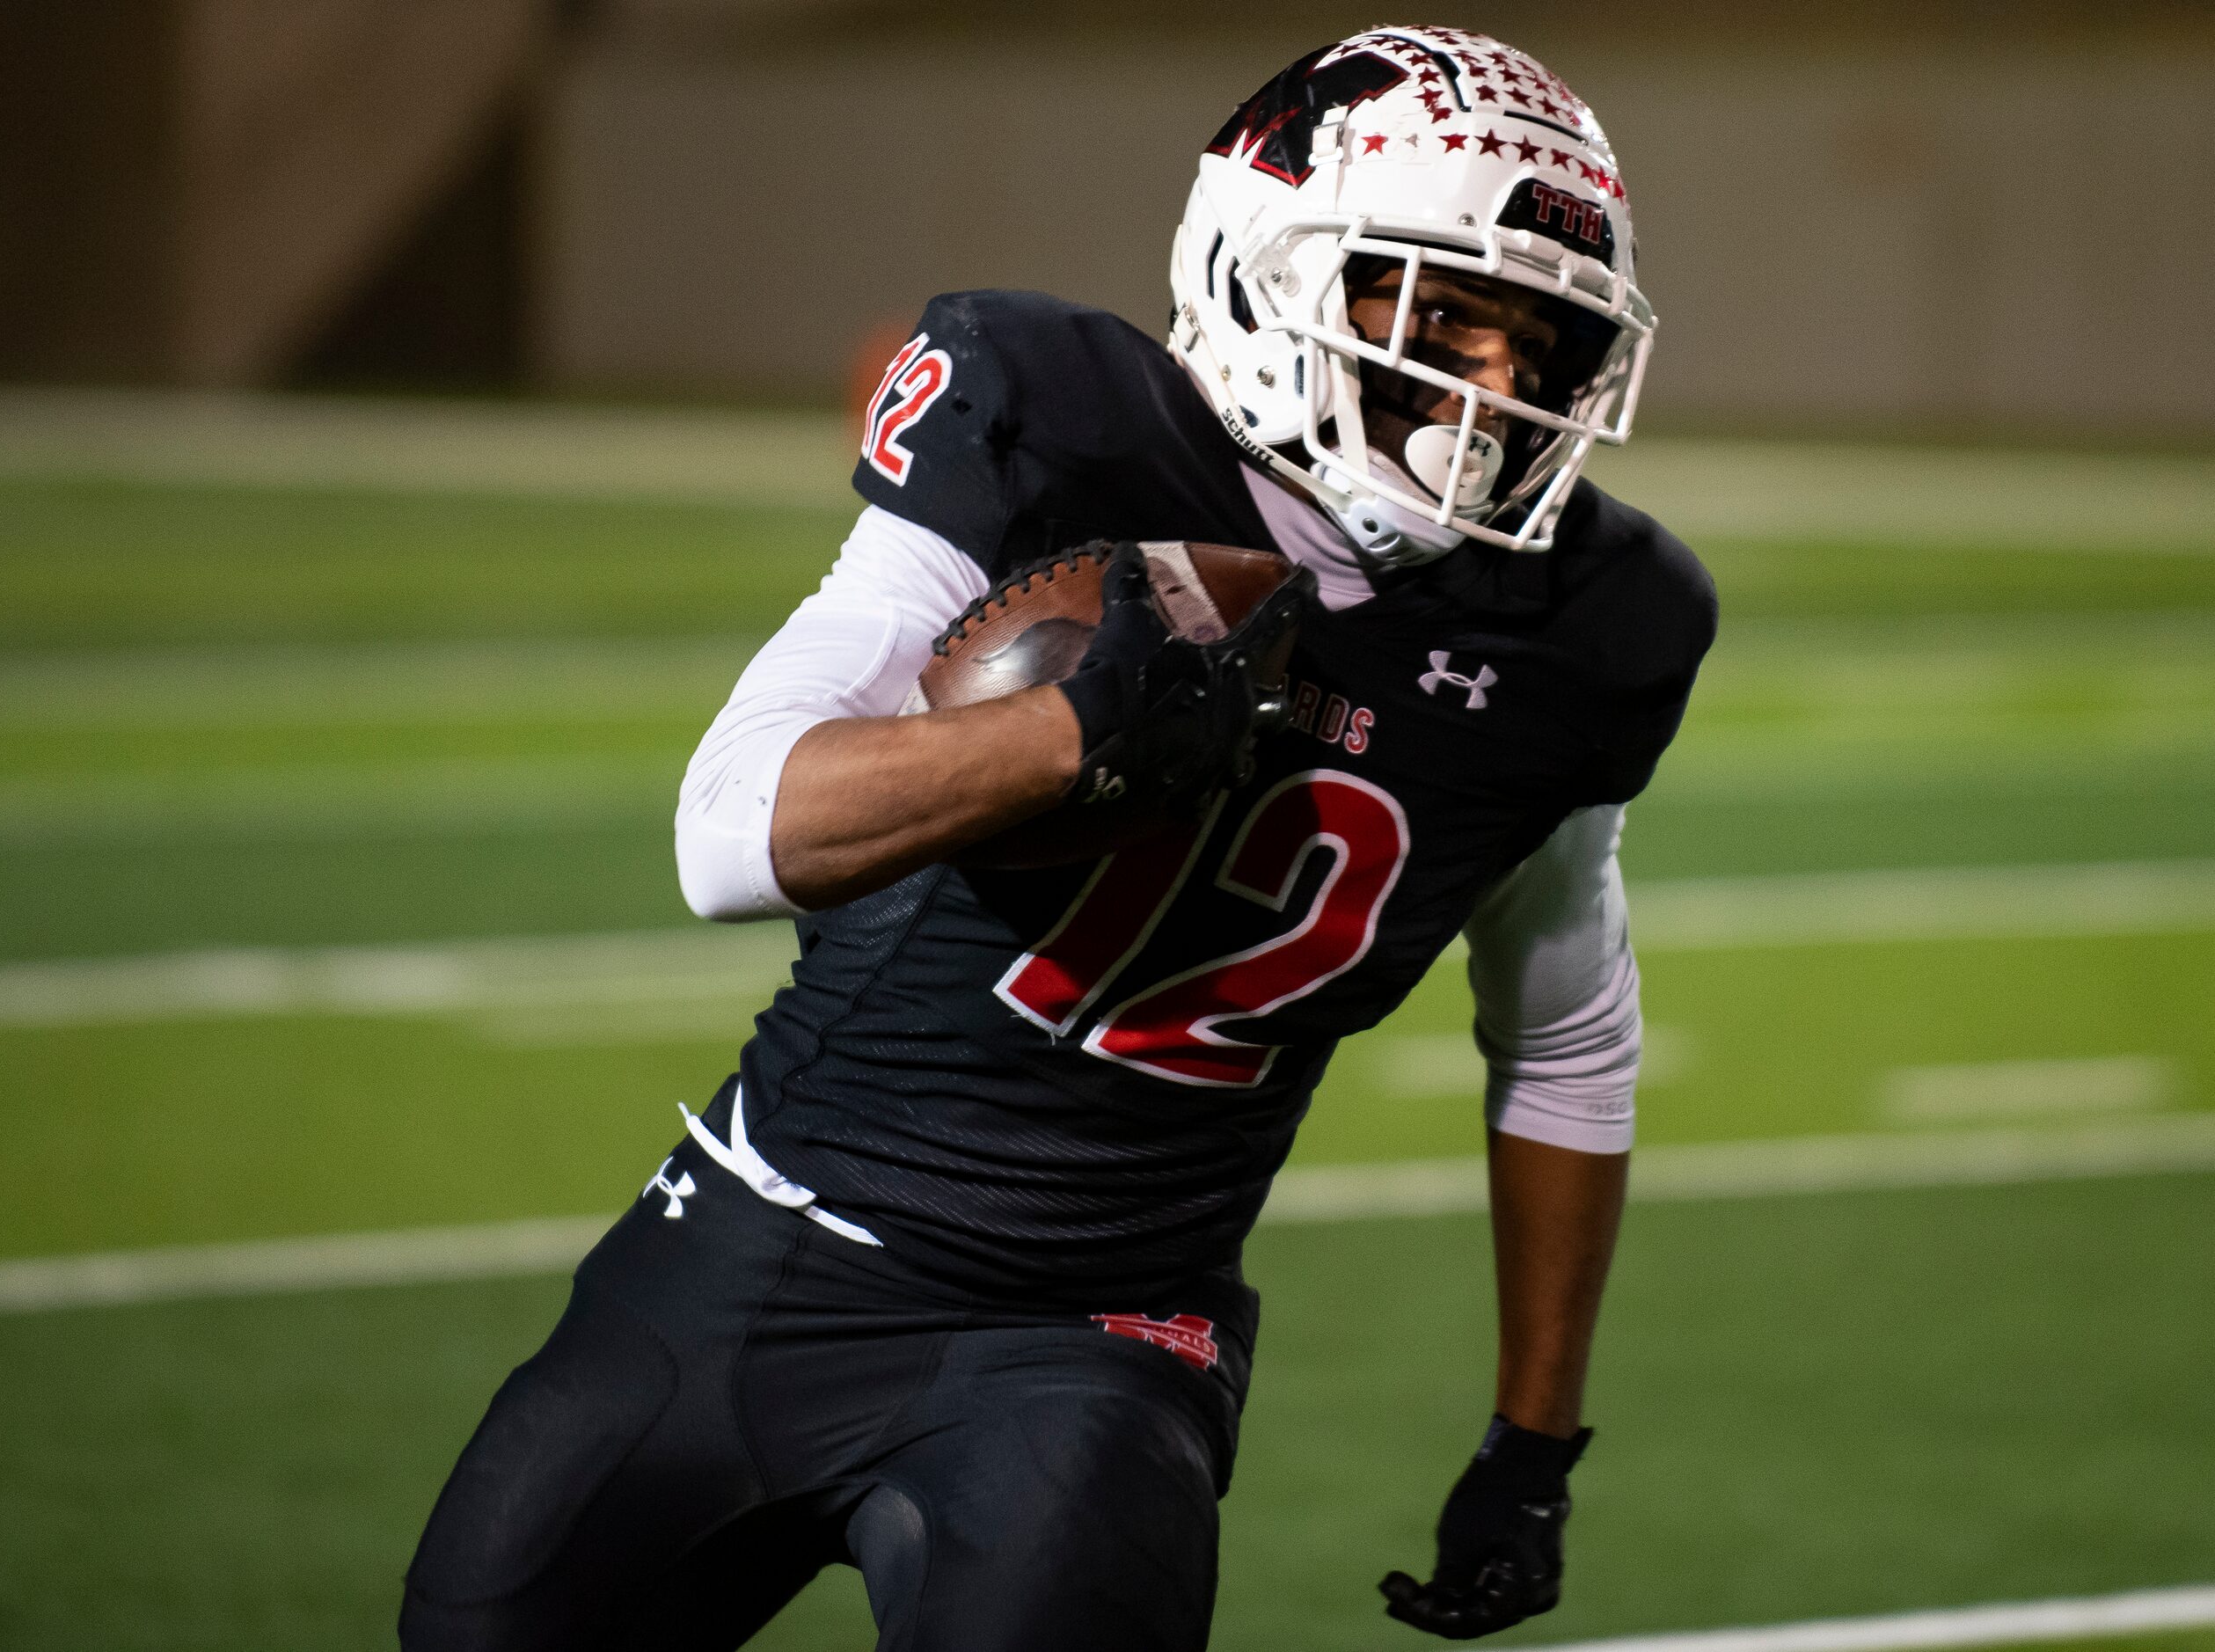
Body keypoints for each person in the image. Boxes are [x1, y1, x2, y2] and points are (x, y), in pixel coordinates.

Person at [401, 25, 1714, 1652]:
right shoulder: (1060, 421)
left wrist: (1533, 1444)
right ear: (1262, 265)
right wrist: (1070, 734)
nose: (1492, 387)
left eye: (1540, 342)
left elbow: (1568, 1025)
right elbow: (726, 834)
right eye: (1440, 312)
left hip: (1099, 1332)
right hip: (763, 1234)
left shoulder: (1587, 623)